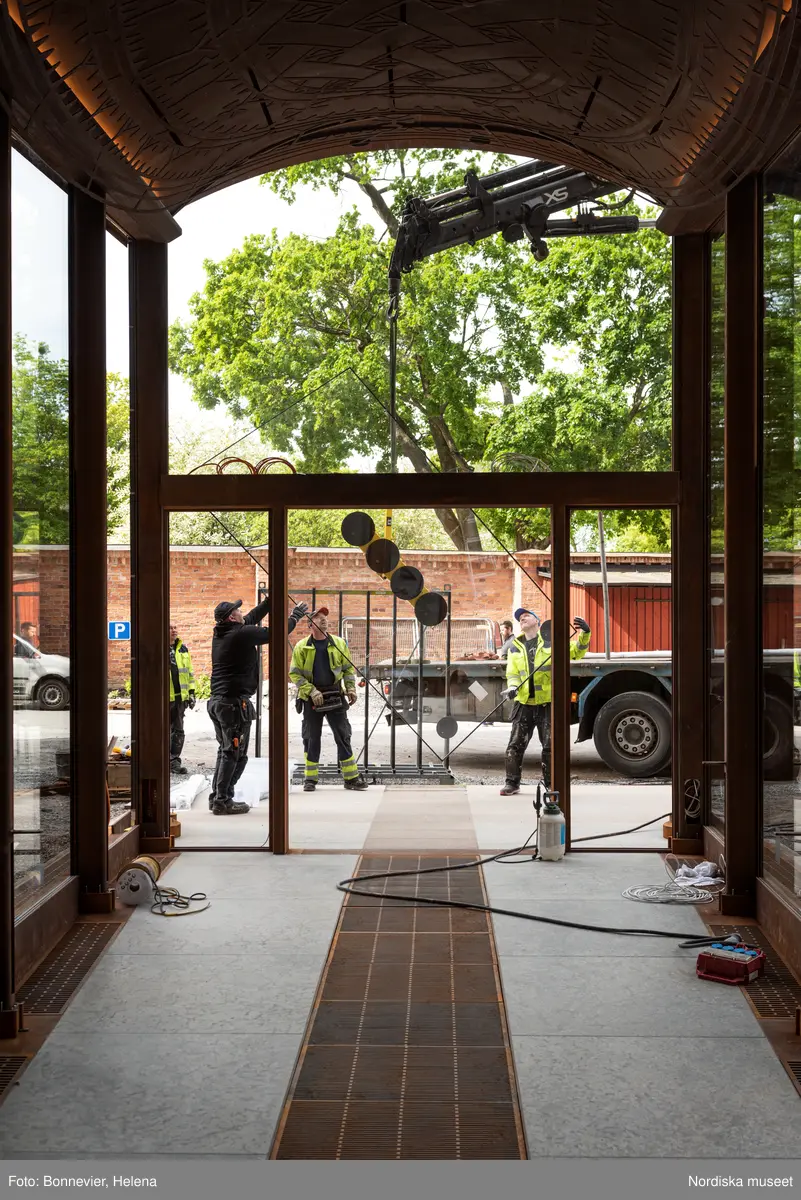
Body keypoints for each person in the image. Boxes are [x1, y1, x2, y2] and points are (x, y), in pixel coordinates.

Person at [208, 594, 308, 815]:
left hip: (220, 703)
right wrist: (295, 616)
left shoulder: (225, 633)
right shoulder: (239, 634)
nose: (242, 613)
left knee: (225, 751)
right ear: (232, 618)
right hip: (233, 705)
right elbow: (274, 633)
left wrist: (271, 601)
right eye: (238, 611)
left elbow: (252, 617)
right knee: (235, 754)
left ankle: (217, 796)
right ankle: (223, 800)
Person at [500, 607, 591, 796]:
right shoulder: (515, 646)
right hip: (523, 702)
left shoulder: (551, 643)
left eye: (527, 615)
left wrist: (585, 633)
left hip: (546, 703)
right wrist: (512, 687)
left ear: (537, 621)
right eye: (520, 617)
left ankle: (551, 784)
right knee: (515, 745)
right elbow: (513, 673)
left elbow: (577, 652)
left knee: (550, 746)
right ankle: (512, 783)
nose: (522, 618)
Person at [290, 607, 368, 793]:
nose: (324, 620)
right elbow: (295, 674)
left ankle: (351, 778)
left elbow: (348, 669)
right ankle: (310, 779)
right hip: (311, 699)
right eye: (318, 618)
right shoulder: (302, 647)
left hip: (334, 695)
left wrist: (350, 688)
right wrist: (311, 691)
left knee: (343, 735)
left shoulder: (339, 643)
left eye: (325, 617)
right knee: (311, 738)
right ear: (310, 625)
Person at [169, 622, 195, 776]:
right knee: (162, 732)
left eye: (175, 628)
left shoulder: (183, 649)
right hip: (164, 698)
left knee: (178, 731)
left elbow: (189, 673)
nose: (174, 630)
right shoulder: (158, 647)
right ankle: (161, 761)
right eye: (170, 628)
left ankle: (174, 762)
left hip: (180, 699)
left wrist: (191, 693)